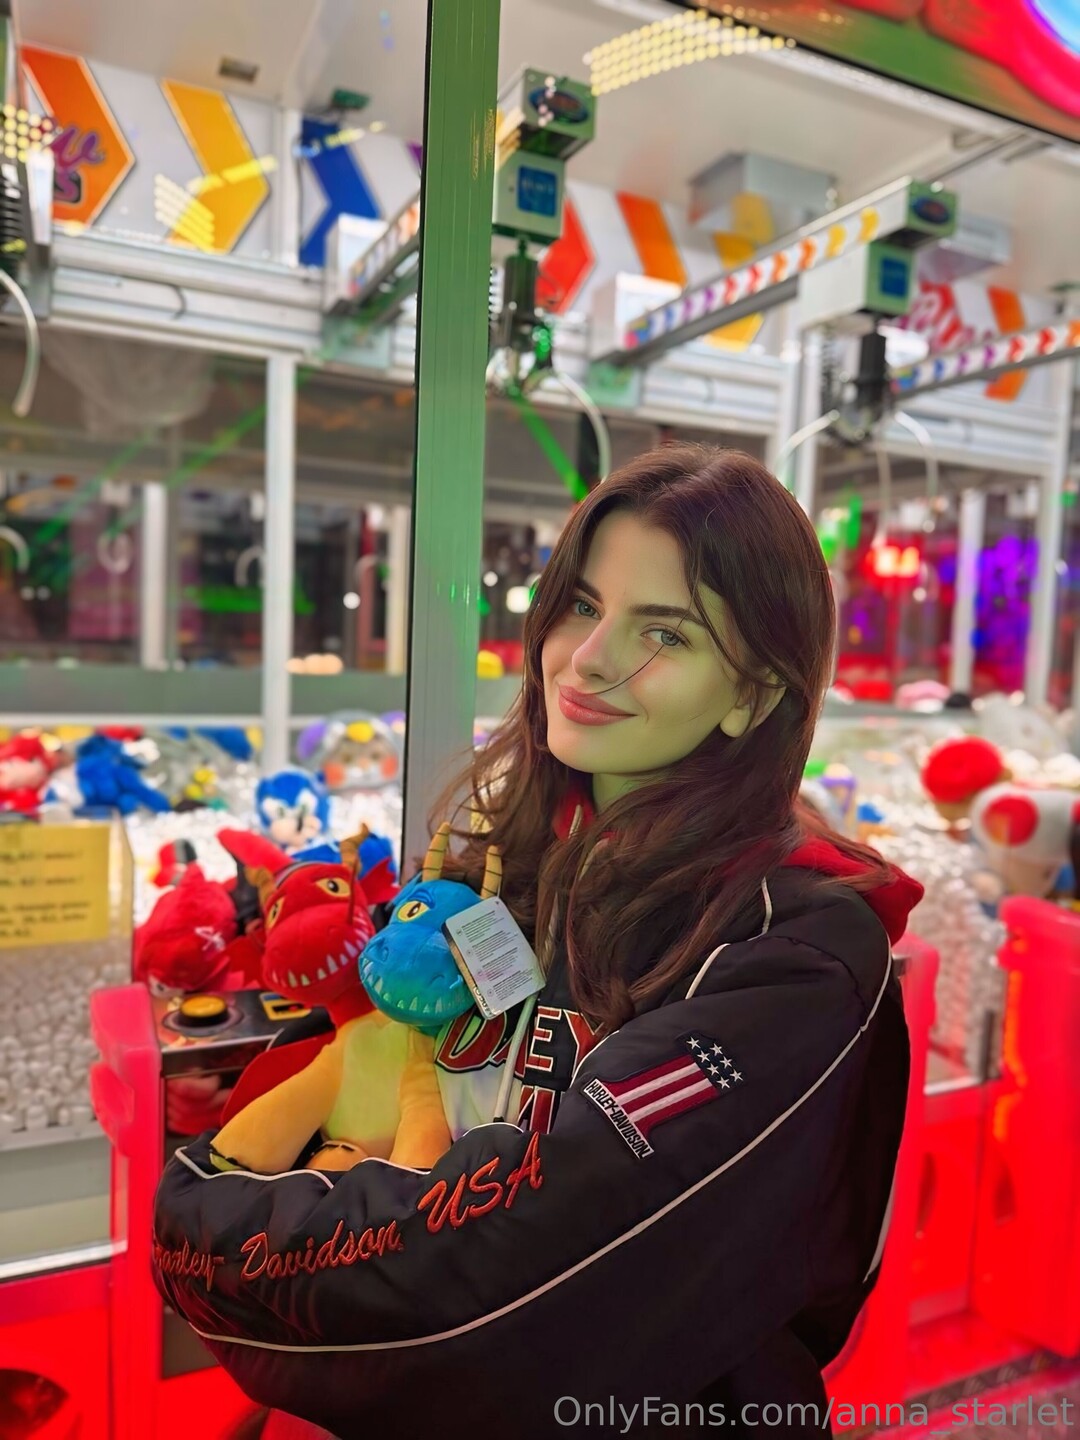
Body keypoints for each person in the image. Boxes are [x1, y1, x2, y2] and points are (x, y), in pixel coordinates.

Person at [153, 446, 922, 1439]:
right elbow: (373, 1066)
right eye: (582, 606)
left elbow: (485, 1275)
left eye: (665, 633)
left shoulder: (797, 953)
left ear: (755, 694)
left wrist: (198, 1220)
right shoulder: (507, 858)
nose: (588, 658)